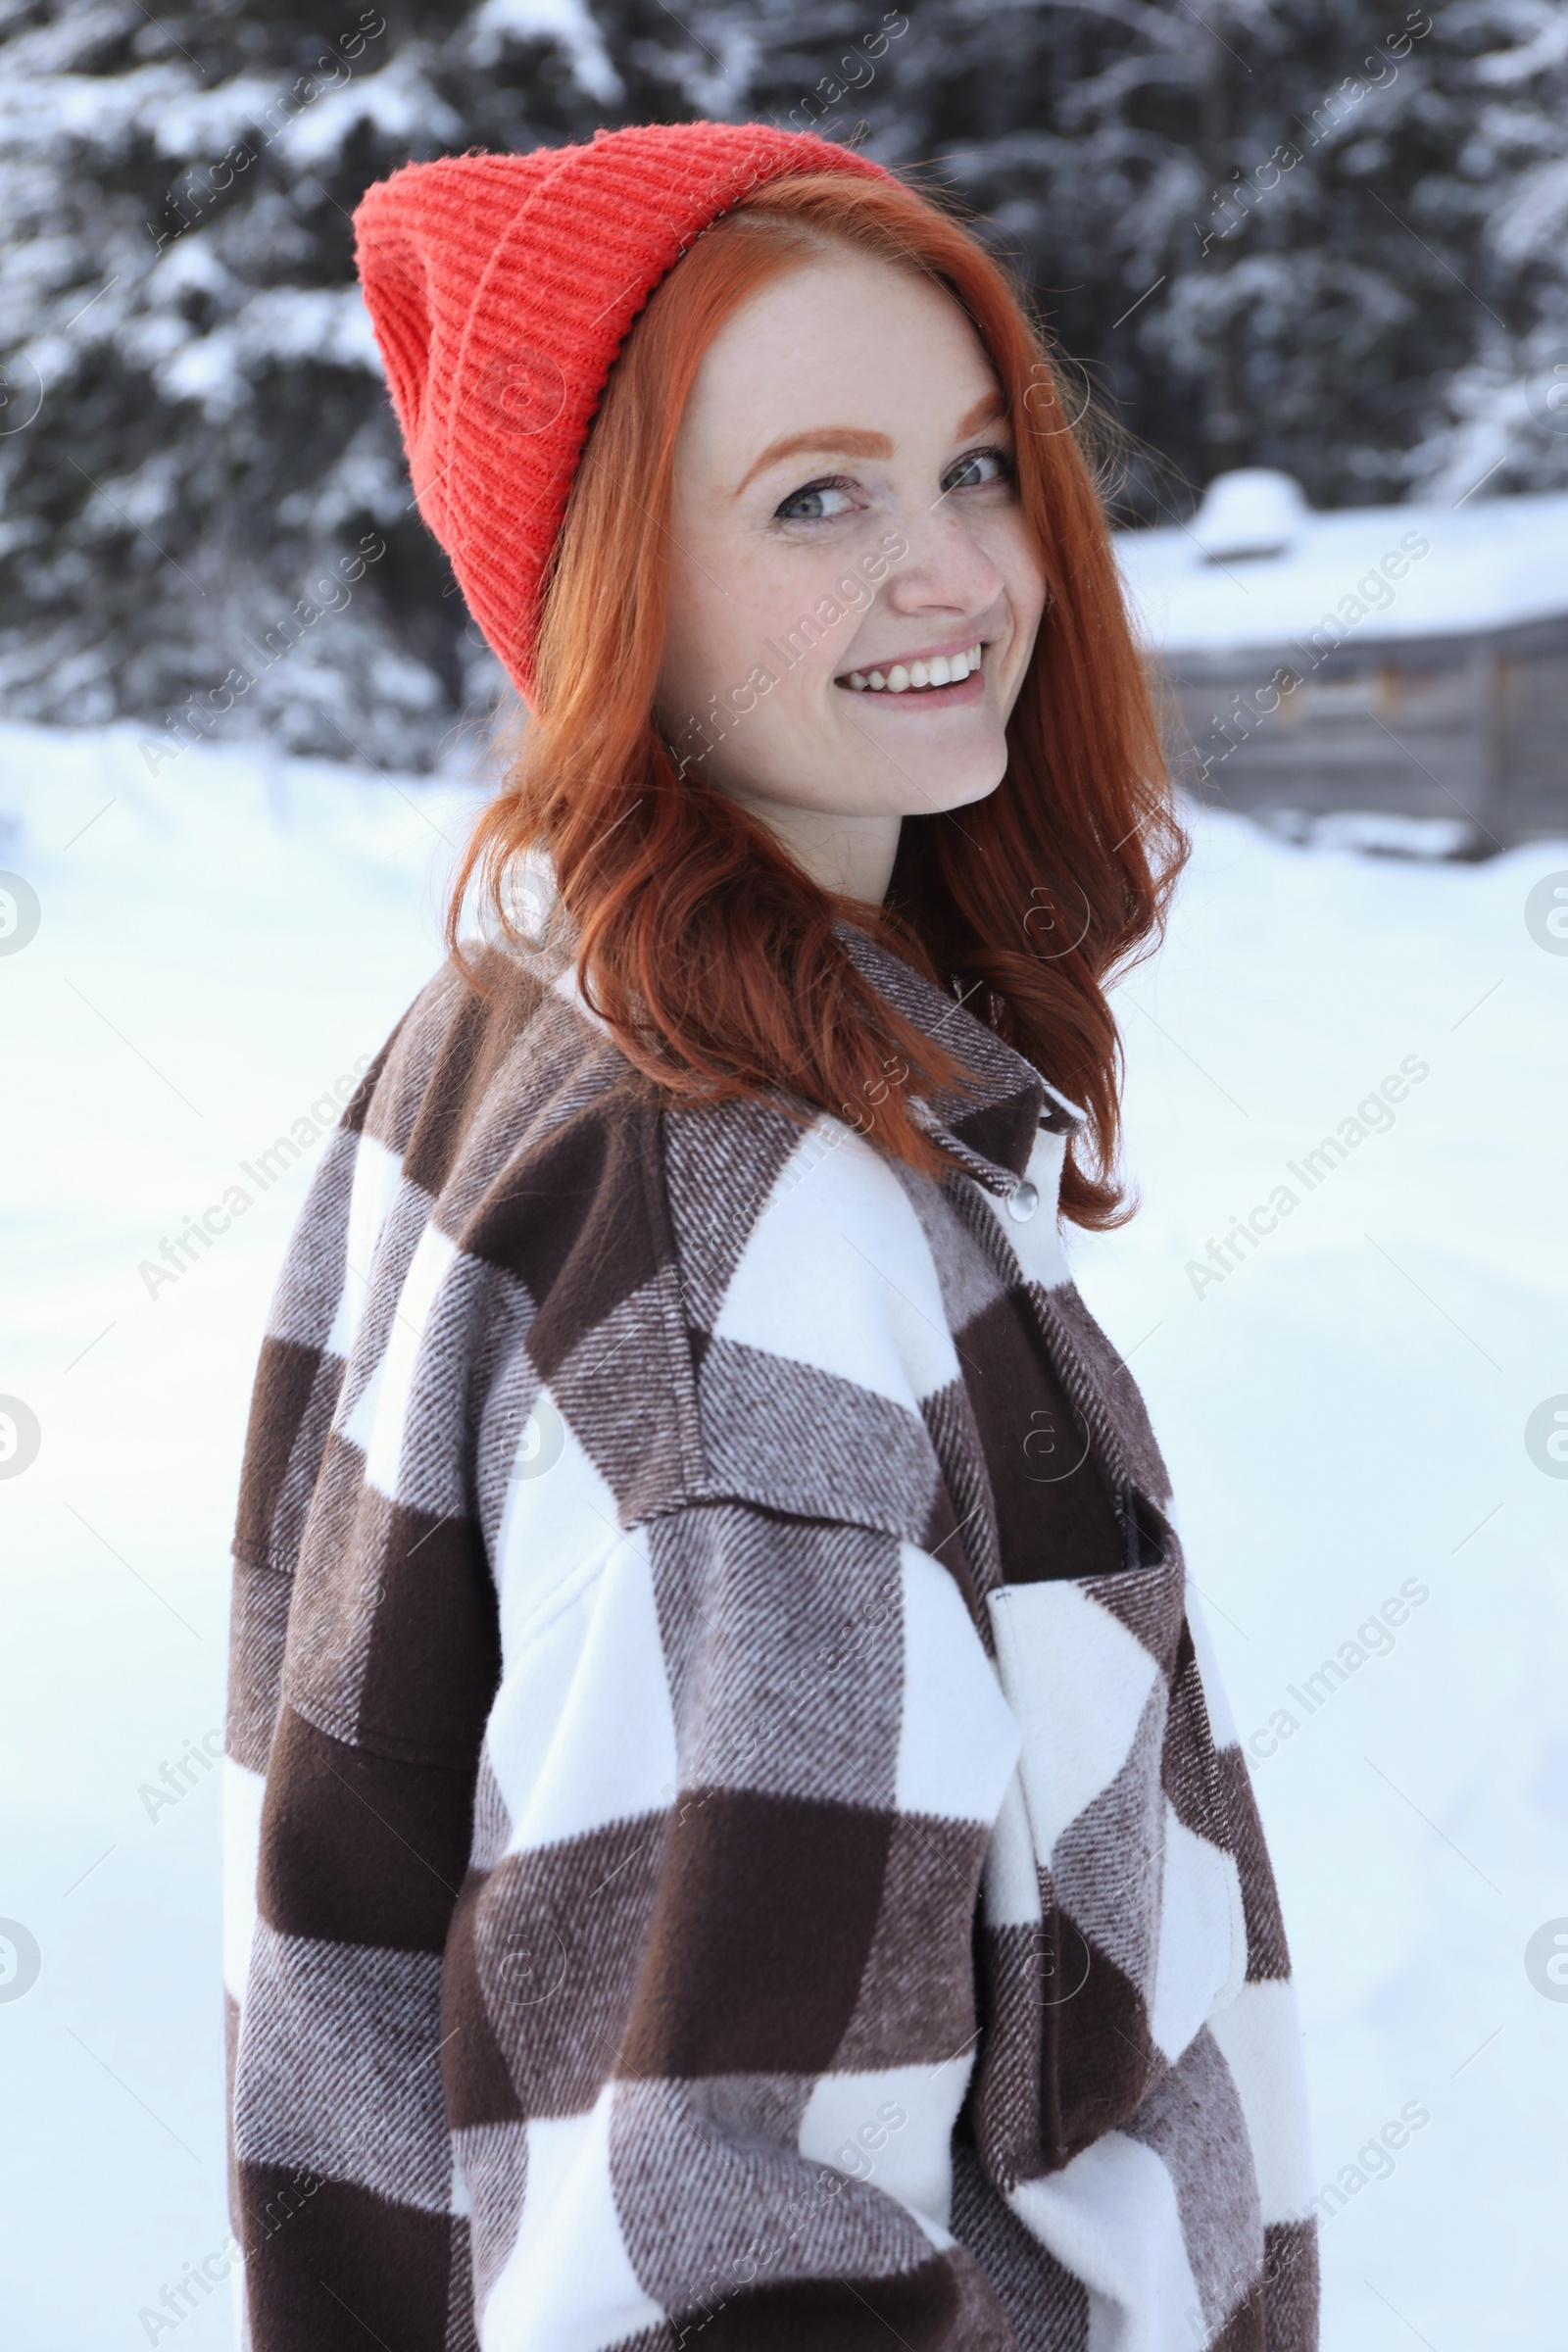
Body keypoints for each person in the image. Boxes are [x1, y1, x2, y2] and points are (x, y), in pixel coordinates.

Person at [221, 121, 1318, 2352]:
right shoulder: (752, 1260)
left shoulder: (524, 1012)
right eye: (815, 498)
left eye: (976, 467)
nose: (954, 573)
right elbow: (714, 2243)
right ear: (609, 575)